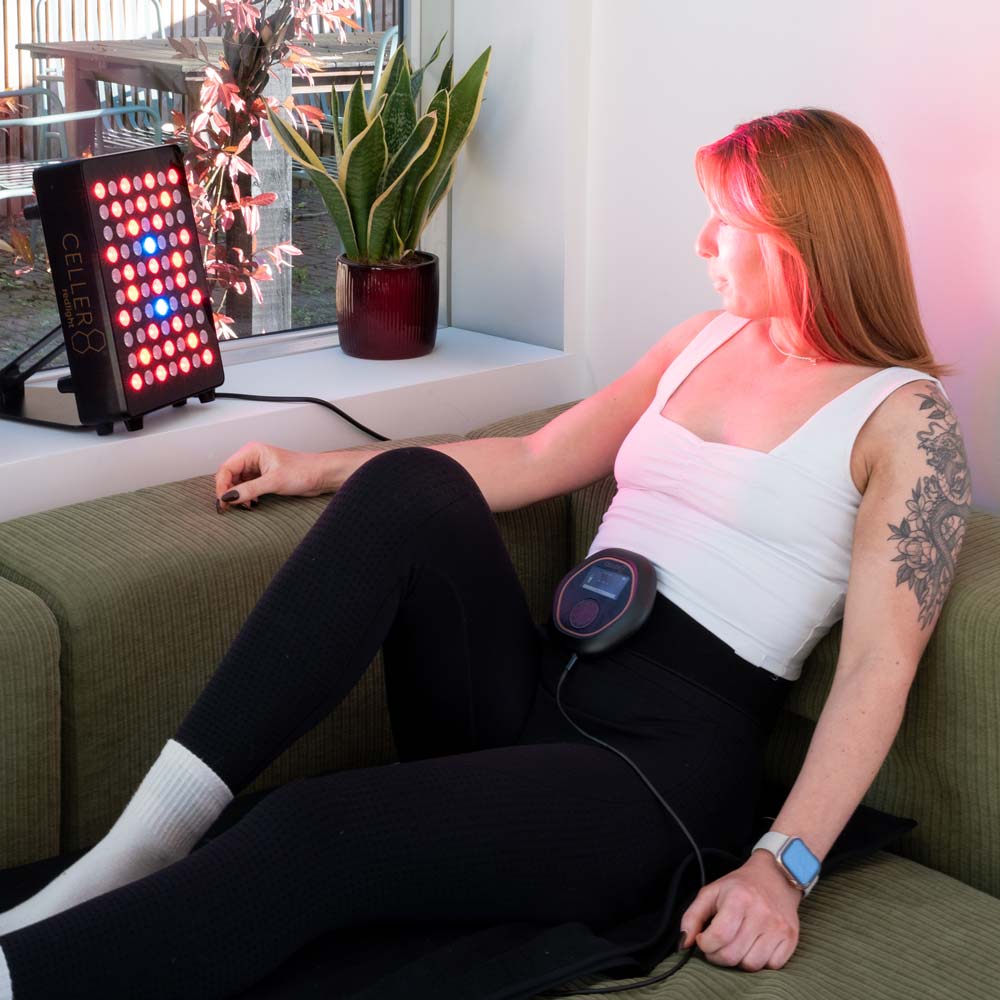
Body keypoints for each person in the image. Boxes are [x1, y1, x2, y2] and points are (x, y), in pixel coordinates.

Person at [0, 107, 972, 999]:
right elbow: (540, 454)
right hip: (540, 690)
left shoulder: (902, 420)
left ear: (808, 236)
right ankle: (148, 838)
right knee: (406, 486)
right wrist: (318, 469)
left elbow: (877, 670)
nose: (700, 241)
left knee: (307, 828)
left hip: (653, 770)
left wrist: (781, 865)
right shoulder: (704, 338)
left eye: (727, 220)